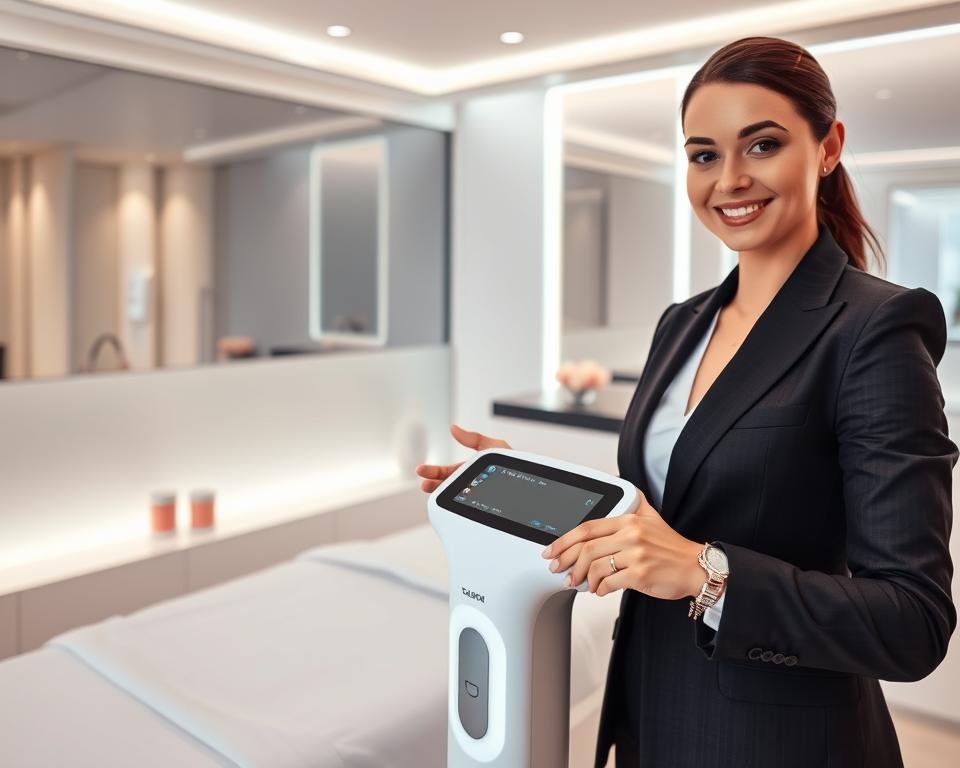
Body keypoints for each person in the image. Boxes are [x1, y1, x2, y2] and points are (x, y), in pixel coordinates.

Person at [416, 35, 957, 768]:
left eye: (760, 145)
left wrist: (709, 574)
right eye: (703, 154)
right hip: (651, 711)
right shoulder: (683, 322)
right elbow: (680, 500)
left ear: (828, 147)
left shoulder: (876, 328)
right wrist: (529, 485)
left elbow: (911, 622)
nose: (728, 179)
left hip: (777, 744)